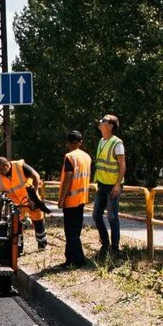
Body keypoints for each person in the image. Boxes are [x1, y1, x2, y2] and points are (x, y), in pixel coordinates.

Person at [0, 155, 49, 250]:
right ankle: (18, 247)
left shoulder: (20, 166)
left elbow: (36, 176)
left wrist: (33, 197)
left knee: (38, 221)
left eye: (1, 170)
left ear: (7, 165)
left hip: (30, 199)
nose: (0, 173)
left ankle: (42, 244)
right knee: (16, 226)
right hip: (17, 204)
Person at [91, 114, 126, 258]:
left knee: (112, 217)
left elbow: (122, 165)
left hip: (113, 186)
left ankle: (115, 248)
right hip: (102, 185)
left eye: (104, 120)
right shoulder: (101, 141)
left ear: (110, 126)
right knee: (96, 215)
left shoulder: (117, 143)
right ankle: (105, 245)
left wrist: (118, 185)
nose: (100, 121)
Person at [57, 130, 92, 267]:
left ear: (68, 143)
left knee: (70, 232)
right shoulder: (86, 157)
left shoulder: (70, 157)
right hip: (82, 198)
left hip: (71, 200)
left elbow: (68, 178)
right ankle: (70, 259)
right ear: (80, 142)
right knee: (75, 231)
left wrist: (61, 199)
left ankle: (78, 260)